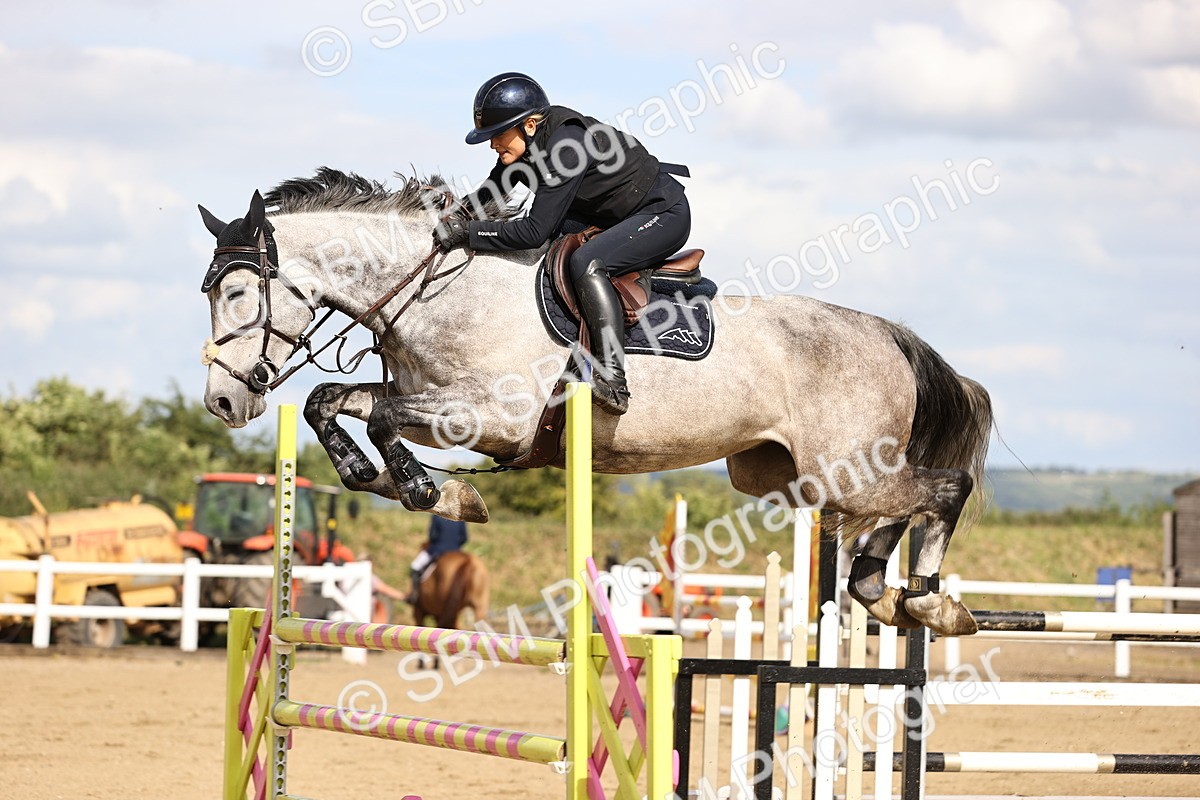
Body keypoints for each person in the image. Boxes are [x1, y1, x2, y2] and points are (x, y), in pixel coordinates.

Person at [433, 72, 692, 415]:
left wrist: (468, 234)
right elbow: (489, 194)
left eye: (497, 135)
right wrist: (448, 216)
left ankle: (614, 379)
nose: (492, 144)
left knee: (587, 262)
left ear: (529, 125)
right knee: (555, 248)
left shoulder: (565, 148)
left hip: (661, 213)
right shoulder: (525, 147)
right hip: (613, 216)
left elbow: (533, 232)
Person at [406, 515, 469, 605]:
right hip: (455, 551)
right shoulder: (460, 518)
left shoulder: (437, 516)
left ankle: (414, 595)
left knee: (415, 566)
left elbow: (432, 536)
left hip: (438, 550)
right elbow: (464, 538)